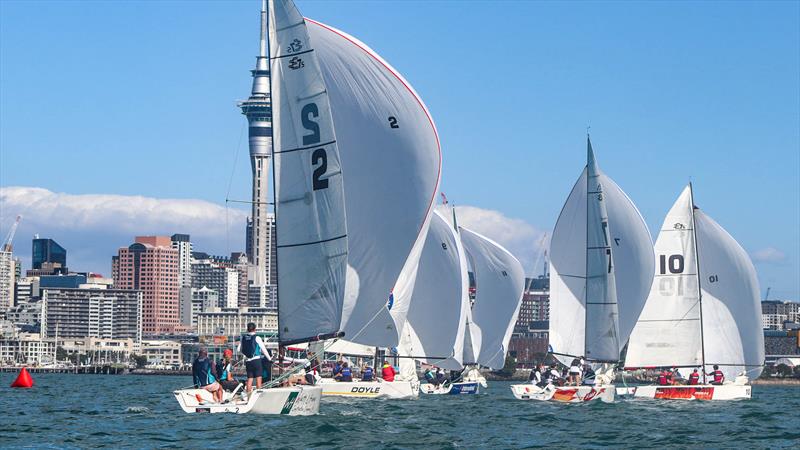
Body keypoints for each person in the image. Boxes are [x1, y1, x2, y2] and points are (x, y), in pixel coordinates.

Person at [237, 322, 271, 395]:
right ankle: (259, 396)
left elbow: (239, 349)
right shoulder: (257, 337)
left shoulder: (243, 338)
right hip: (256, 360)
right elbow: (263, 349)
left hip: (248, 361)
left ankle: (248, 397)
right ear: (255, 329)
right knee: (259, 378)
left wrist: (246, 354)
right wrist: (269, 359)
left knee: (250, 379)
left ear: (247, 329)